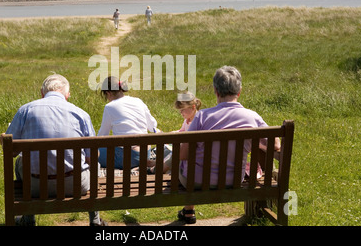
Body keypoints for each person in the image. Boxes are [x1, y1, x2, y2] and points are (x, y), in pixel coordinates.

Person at [176, 66, 281, 224]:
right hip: (233, 180)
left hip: (196, 181)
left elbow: (183, 154)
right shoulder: (252, 118)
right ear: (239, 92)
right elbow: (275, 144)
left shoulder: (202, 117)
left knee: (181, 163)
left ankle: (189, 209)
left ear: (216, 91)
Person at [1, 73, 106, 226]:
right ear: (67, 95)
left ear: (42, 93)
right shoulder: (81, 115)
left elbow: (12, 151)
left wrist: (3, 138)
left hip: (35, 186)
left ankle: (28, 218)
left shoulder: (25, 110)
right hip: (75, 185)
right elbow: (91, 158)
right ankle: (95, 220)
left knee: (20, 162)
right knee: (94, 165)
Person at [97, 76, 158, 169]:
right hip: (146, 153)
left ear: (108, 93)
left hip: (127, 156)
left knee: (93, 152)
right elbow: (153, 126)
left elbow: (102, 135)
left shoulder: (110, 107)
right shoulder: (138, 101)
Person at [149, 91, 202, 174]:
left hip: (191, 154)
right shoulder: (188, 120)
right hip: (186, 150)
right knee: (169, 150)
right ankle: (157, 163)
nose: (181, 113)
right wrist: (169, 133)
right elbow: (181, 131)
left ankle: (155, 169)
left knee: (174, 154)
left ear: (193, 107)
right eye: (180, 110)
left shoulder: (197, 121)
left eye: (183, 110)